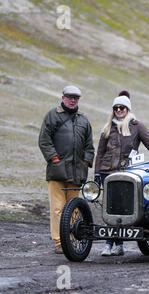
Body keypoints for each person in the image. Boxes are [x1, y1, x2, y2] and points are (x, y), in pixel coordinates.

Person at [95, 90, 149, 256]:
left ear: (128, 109)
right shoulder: (107, 128)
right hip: (107, 172)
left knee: (122, 209)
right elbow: (100, 153)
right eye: (116, 108)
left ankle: (115, 245)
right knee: (109, 208)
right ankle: (112, 245)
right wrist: (96, 173)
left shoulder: (137, 126)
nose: (119, 111)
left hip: (126, 173)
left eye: (122, 108)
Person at [38, 85, 95, 254]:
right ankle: (59, 242)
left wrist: (85, 163)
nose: (72, 100)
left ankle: (69, 240)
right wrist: (54, 159)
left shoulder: (84, 120)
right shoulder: (52, 115)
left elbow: (89, 147)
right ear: (63, 98)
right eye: (69, 97)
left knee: (74, 209)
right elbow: (44, 140)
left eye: (75, 98)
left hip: (76, 173)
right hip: (57, 172)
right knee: (58, 208)